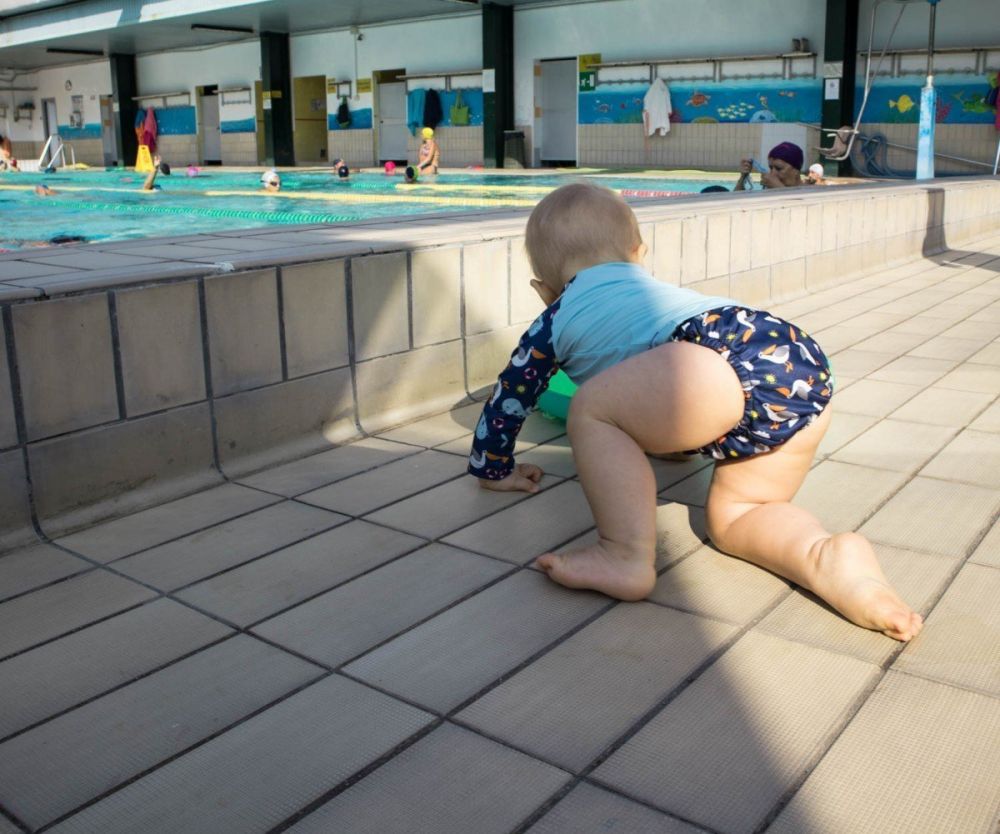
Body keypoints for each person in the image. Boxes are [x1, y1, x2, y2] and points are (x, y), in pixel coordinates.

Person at [467, 182, 922, 642]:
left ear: (545, 291)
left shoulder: (555, 318)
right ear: (638, 252)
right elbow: (668, 388)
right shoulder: (651, 290)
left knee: (591, 410)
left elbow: (509, 397)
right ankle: (824, 557)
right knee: (738, 517)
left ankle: (622, 554)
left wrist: (493, 467)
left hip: (715, 357)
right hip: (794, 361)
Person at [735, 142, 803, 191]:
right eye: (771, 168)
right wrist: (742, 177)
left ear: (796, 171)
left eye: (779, 169)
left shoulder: (807, 192)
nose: (772, 174)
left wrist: (778, 188)